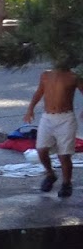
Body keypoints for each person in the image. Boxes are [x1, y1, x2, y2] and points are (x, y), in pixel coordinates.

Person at [24, 61, 80, 198]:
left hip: (66, 118)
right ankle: (50, 174)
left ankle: (66, 183)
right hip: (47, 117)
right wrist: (30, 109)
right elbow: (39, 92)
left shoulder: (73, 77)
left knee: (64, 155)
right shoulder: (46, 75)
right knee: (41, 149)